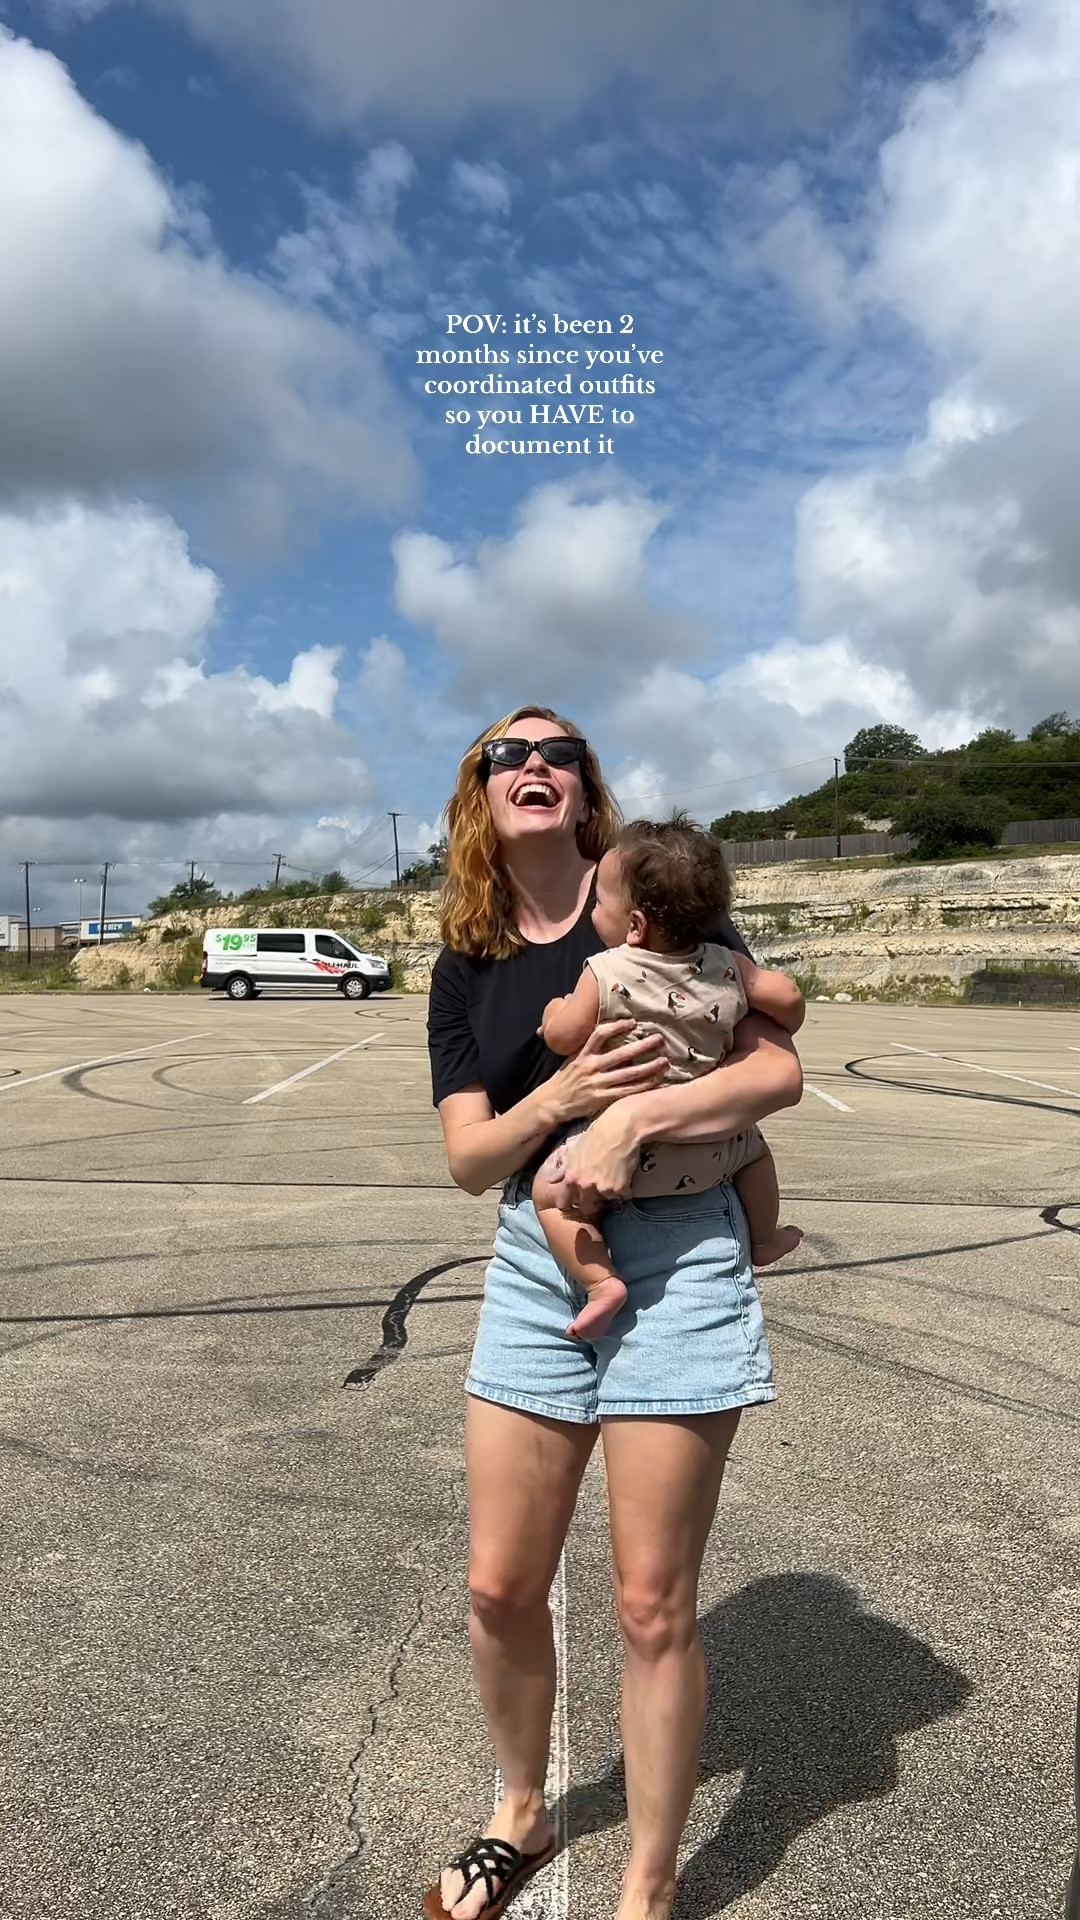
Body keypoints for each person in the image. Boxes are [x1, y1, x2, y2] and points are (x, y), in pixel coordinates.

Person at [424, 705, 804, 1920]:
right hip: (545, 1249)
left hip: (685, 1248)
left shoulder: (657, 899)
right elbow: (472, 1161)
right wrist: (570, 1099)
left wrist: (637, 1119)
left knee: (650, 1599)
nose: (533, 768)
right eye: (507, 756)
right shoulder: (467, 961)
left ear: (588, 790)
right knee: (498, 1585)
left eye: (558, 754)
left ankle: (646, 1885)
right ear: (480, 796)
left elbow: (777, 1066)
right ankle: (520, 1812)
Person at [532, 813, 805, 1340]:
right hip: (712, 1150)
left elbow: (565, 1036)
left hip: (619, 1162)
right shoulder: (728, 965)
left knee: (549, 1195)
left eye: (600, 903)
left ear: (633, 924)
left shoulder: (605, 969)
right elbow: (788, 997)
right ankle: (765, 1236)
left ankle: (599, 1282)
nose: (594, 911)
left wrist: (552, 1013)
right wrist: (783, 1018)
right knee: (757, 1152)